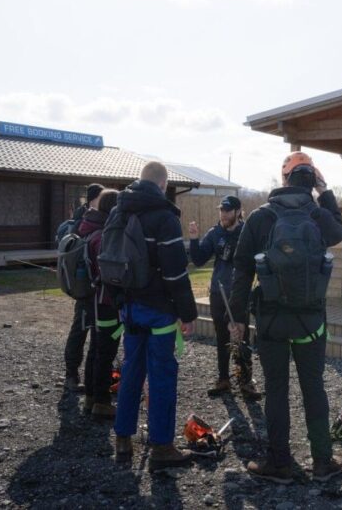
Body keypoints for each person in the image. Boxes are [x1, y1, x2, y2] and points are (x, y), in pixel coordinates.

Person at [229, 151, 342, 484]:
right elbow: (338, 233)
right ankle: (323, 461)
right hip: (311, 320)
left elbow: (241, 269)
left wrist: (237, 318)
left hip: (270, 320)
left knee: (276, 389)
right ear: (314, 182)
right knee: (314, 388)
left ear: (283, 180)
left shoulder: (260, 217)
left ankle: (279, 462)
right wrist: (325, 192)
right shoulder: (319, 214)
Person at [112, 161, 198, 471]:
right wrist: (188, 313)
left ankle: (122, 440)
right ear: (163, 186)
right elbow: (176, 273)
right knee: (162, 376)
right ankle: (162, 446)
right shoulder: (165, 218)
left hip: (129, 307)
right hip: (159, 311)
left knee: (131, 369)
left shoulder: (119, 212)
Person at [188, 195, 261, 400]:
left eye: (227, 210)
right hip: (218, 292)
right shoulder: (215, 233)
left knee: (242, 335)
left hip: (239, 293)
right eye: (221, 210)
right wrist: (194, 238)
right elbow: (199, 259)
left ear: (238, 212)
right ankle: (223, 379)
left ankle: (245, 381)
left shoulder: (246, 232)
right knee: (221, 336)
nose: (223, 214)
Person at [77, 189, 122, 418]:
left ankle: (92, 398)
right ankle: (102, 401)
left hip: (93, 300)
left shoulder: (89, 229)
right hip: (105, 301)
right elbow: (109, 272)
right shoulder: (104, 235)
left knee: (96, 348)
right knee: (105, 350)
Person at [63, 183, 104, 392]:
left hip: (91, 287)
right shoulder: (85, 221)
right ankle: (71, 373)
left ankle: (92, 378)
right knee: (80, 330)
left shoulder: (89, 219)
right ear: (92, 200)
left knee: (96, 333)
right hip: (86, 287)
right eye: (101, 197)